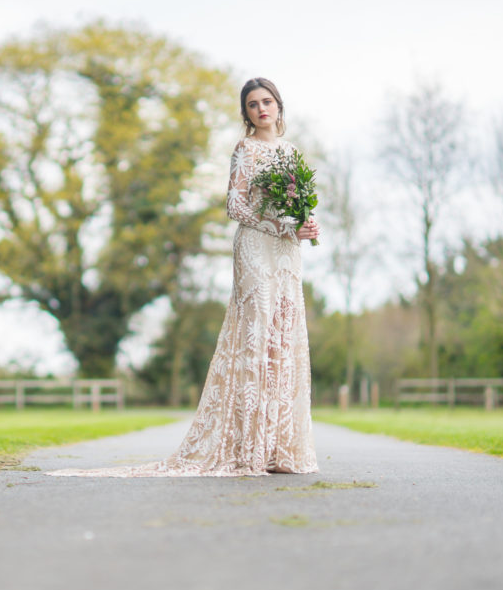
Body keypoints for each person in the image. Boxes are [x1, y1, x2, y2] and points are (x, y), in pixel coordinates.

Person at [48, 77, 320, 477]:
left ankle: (280, 449)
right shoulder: (245, 148)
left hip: (286, 254)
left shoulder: (292, 152)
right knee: (257, 335)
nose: (261, 109)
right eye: (252, 105)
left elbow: (294, 202)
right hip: (256, 250)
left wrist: (304, 224)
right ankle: (250, 450)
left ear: (279, 106)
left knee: (283, 333)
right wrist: (280, 227)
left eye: (267, 102)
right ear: (245, 114)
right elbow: (235, 205)